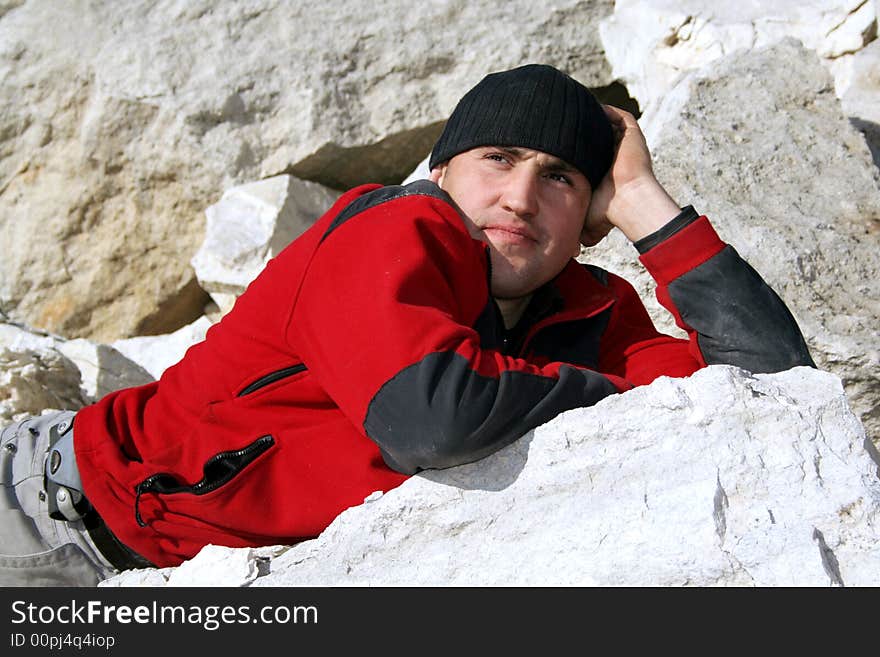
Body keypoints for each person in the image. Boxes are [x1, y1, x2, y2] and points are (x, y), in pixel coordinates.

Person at [0, 64, 815, 586]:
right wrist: (616, 400)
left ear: (590, 218)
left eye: (559, 176)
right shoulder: (392, 227)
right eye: (497, 158)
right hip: (49, 509)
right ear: (440, 174)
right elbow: (431, 416)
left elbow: (776, 392)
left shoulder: (590, 311)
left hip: (165, 564)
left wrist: (644, 202)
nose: (520, 198)